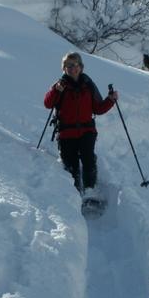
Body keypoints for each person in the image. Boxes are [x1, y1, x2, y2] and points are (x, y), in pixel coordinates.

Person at [43, 52, 118, 194]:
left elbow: (98, 108)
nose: (72, 68)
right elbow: (48, 103)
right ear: (64, 68)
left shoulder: (88, 85)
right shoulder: (59, 86)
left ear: (81, 67)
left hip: (87, 131)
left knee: (88, 161)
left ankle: (90, 192)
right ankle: (75, 196)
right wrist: (55, 91)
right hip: (66, 133)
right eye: (68, 65)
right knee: (71, 167)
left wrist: (110, 100)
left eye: (75, 65)